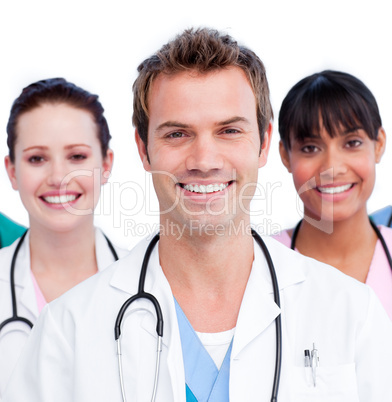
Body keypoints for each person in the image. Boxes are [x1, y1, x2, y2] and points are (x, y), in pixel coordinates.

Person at [4, 29, 392, 402]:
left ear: (264, 143)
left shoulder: (350, 313)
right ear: (143, 149)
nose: (204, 161)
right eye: (177, 134)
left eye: (229, 131)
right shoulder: (67, 330)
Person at [0, 78, 129, 397]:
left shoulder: (150, 284)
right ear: (12, 171)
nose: (58, 177)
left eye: (76, 157)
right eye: (36, 159)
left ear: (106, 164)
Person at [274, 70, 392, 321]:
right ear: (285, 155)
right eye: (310, 148)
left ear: (379, 144)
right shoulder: (258, 265)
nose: (332, 167)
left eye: (352, 143)